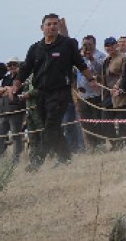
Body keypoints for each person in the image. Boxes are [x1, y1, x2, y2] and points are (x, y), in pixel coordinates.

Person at [11, 13, 88, 170]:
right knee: (51, 127)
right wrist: (15, 85)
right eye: (49, 24)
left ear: (59, 26)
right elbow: (25, 68)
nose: (52, 26)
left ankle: (37, 160)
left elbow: (80, 64)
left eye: (55, 24)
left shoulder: (67, 44)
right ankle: (65, 157)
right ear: (42, 28)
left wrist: (92, 80)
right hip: (40, 93)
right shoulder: (35, 48)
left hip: (60, 92)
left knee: (51, 125)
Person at [0, 58, 26, 164]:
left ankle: (16, 159)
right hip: (3, 111)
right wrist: (7, 89)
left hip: (16, 111)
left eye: (14, 64)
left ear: (18, 65)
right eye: (9, 65)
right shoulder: (5, 78)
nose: (11, 66)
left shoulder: (22, 77)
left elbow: (15, 91)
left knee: (16, 135)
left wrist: (4, 90)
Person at [98, 36, 126, 150]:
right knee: (105, 122)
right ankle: (115, 144)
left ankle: (122, 144)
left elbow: (125, 74)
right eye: (107, 46)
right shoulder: (106, 60)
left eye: (111, 45)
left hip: (119, 94)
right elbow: (104, 76)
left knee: (122, 123)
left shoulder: (123, 58)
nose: (109, 48)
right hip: (107, 94)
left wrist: (118, 86)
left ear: (116, 45)